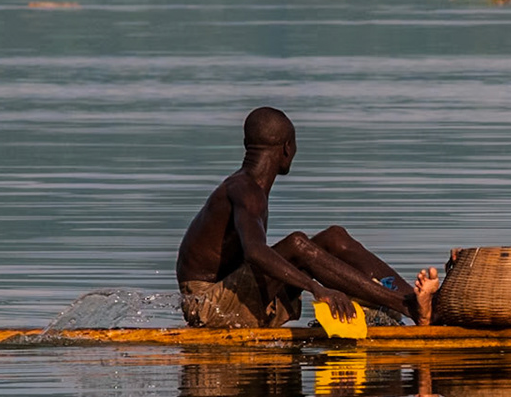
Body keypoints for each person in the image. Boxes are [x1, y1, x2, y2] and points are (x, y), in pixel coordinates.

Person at [176, 107, 439, 329]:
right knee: (297, 245)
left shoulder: (248, 187)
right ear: (287, 149)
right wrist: (317, 288)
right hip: (207, 307)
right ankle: (408, 307)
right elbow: (254, 252)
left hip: (232, 294)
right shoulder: (245, 190)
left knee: (333, 238)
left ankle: (417, 301)